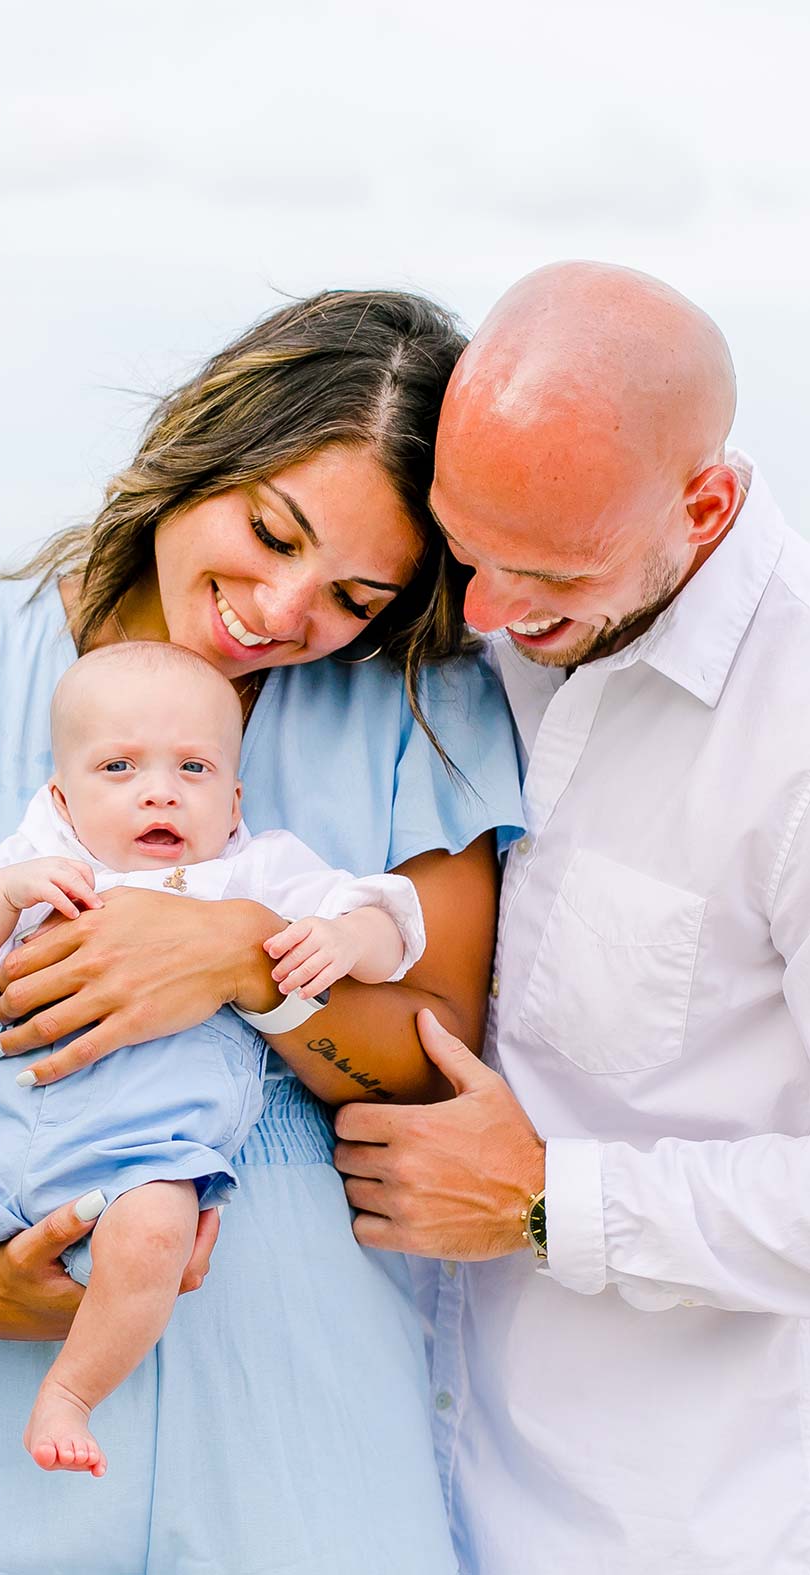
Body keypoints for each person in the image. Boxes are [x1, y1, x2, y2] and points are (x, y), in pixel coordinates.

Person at [0, 289, 523, 1574]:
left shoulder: (422, 702)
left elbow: (431, 1045)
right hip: (1, 1323)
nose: (280, 611)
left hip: (310, 1360)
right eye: (269, 530)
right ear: (202, 443)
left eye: (356, 592)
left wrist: (239, 960)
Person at [334, 261, 810, 1573]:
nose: (480, 611)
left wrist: (550, 1197)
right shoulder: (486, 619)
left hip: (655, 1526)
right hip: (381, 1499)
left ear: (702, 505)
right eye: (461, 548)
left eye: (541, 570)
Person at [0, 639, 424, 1509]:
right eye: (120, 765)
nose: (159, 789)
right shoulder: (30, 865)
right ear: (62, 796)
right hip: (4, 1140)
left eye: (194, 767)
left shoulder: (256, 868)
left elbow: (392, 919)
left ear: (234, 796)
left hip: (151, 1153)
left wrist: (347, 939)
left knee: (155, 1239)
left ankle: (71, 1392)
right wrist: (3, 895)